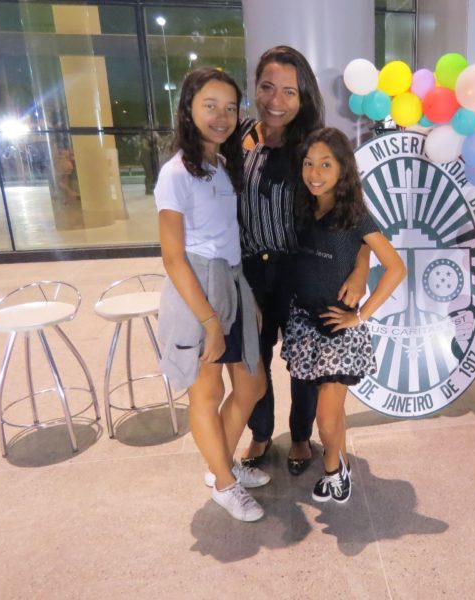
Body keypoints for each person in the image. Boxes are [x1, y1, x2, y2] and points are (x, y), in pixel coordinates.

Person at [238, 46, 370, 475]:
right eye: (267, 87)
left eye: (289, 92)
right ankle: (261, 432)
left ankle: (299, 435)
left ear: (304, 97)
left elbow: (355, 216)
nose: (276, 100)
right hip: (251, 271)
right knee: (255, 359)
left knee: (305, 362)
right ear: (255, 87)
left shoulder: (313, 148)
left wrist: (361, 268)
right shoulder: (240, 140)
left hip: (303, 268)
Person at [156, 67, 269, 522]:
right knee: (206, 392)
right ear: (188, 108)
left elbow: (227, 237)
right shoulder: (174, 173)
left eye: (229, 107)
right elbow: (173, 258)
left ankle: (220, 465)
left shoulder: (222, 165)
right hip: (197, 288)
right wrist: (209, 322)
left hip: (232, 281)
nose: (222, 116)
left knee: (252, 384)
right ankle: (224, 482)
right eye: (210, 106)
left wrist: (247, 296)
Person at [281, 128, 406, 503]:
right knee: (331, 411)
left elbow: (396, 268)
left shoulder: (354, 214)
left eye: (325, 165)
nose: (314, 173)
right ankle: (341, 462)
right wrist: (359, 263)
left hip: (338, 329)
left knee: (325, 416)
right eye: (309, 164)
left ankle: (334, 471)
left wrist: (361, 315)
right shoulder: (302, 206)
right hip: (305, 322)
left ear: (343, 169)